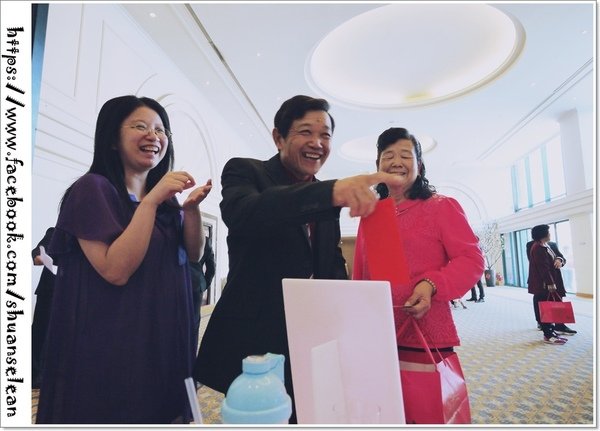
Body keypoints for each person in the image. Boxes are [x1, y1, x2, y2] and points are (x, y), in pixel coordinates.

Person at [193, 95, 403, 424]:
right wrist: (329, 193)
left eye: (325, 135)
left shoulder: (326, 194)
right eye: (306, 132)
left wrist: (350, 311)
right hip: (256, 336)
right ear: (279, 137)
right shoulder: (245, 171)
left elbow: (329, 260)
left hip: (311, 338)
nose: (317, 143)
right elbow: (246, 213)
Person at [36, 95, 212, 424]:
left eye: (160, 130)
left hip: (162, 335)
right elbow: (115, 270)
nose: (154, 136)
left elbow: (193, 254)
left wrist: (190, 210)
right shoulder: (93, 189)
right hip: (114, 339)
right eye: (140, 126)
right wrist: (151, 201)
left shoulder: (166, 201)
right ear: (113, 139)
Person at [353, 127, 484, 363]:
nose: (396, 162)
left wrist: (431, 284)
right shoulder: (371, 215)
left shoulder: (441, 207)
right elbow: (362, 276)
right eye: (388, 156)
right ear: (378, 166)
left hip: (426, 334)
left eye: (405, 155)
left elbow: (471, 260)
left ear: (420, 165)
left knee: (424, 388)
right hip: (379, 332)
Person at [526, 224, 576, 344]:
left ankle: (554, 329)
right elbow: (542, 267)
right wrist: (550, 283)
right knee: (545, 307)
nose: (550, 234)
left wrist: (559, 260)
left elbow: (559, 257)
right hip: (544, 284)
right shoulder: (537, 247)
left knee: (551, 305)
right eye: (548, 232)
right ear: (542, 234)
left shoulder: (547, 245)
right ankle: (548, 334)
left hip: (552, 280)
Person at [31, 227, 56, 389]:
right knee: (40, 333)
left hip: (69, 292)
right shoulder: (53, 233)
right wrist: (42, 259)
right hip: (48, 292)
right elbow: (36, 256)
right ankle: (35, 376)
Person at [189, 236, 216, 349]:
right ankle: (191, 352)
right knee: (194, 323)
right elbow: (211, 267)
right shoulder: (205, 240)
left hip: (177, 285)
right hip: (196, 285)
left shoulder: (176, 234)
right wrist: (204, 284)